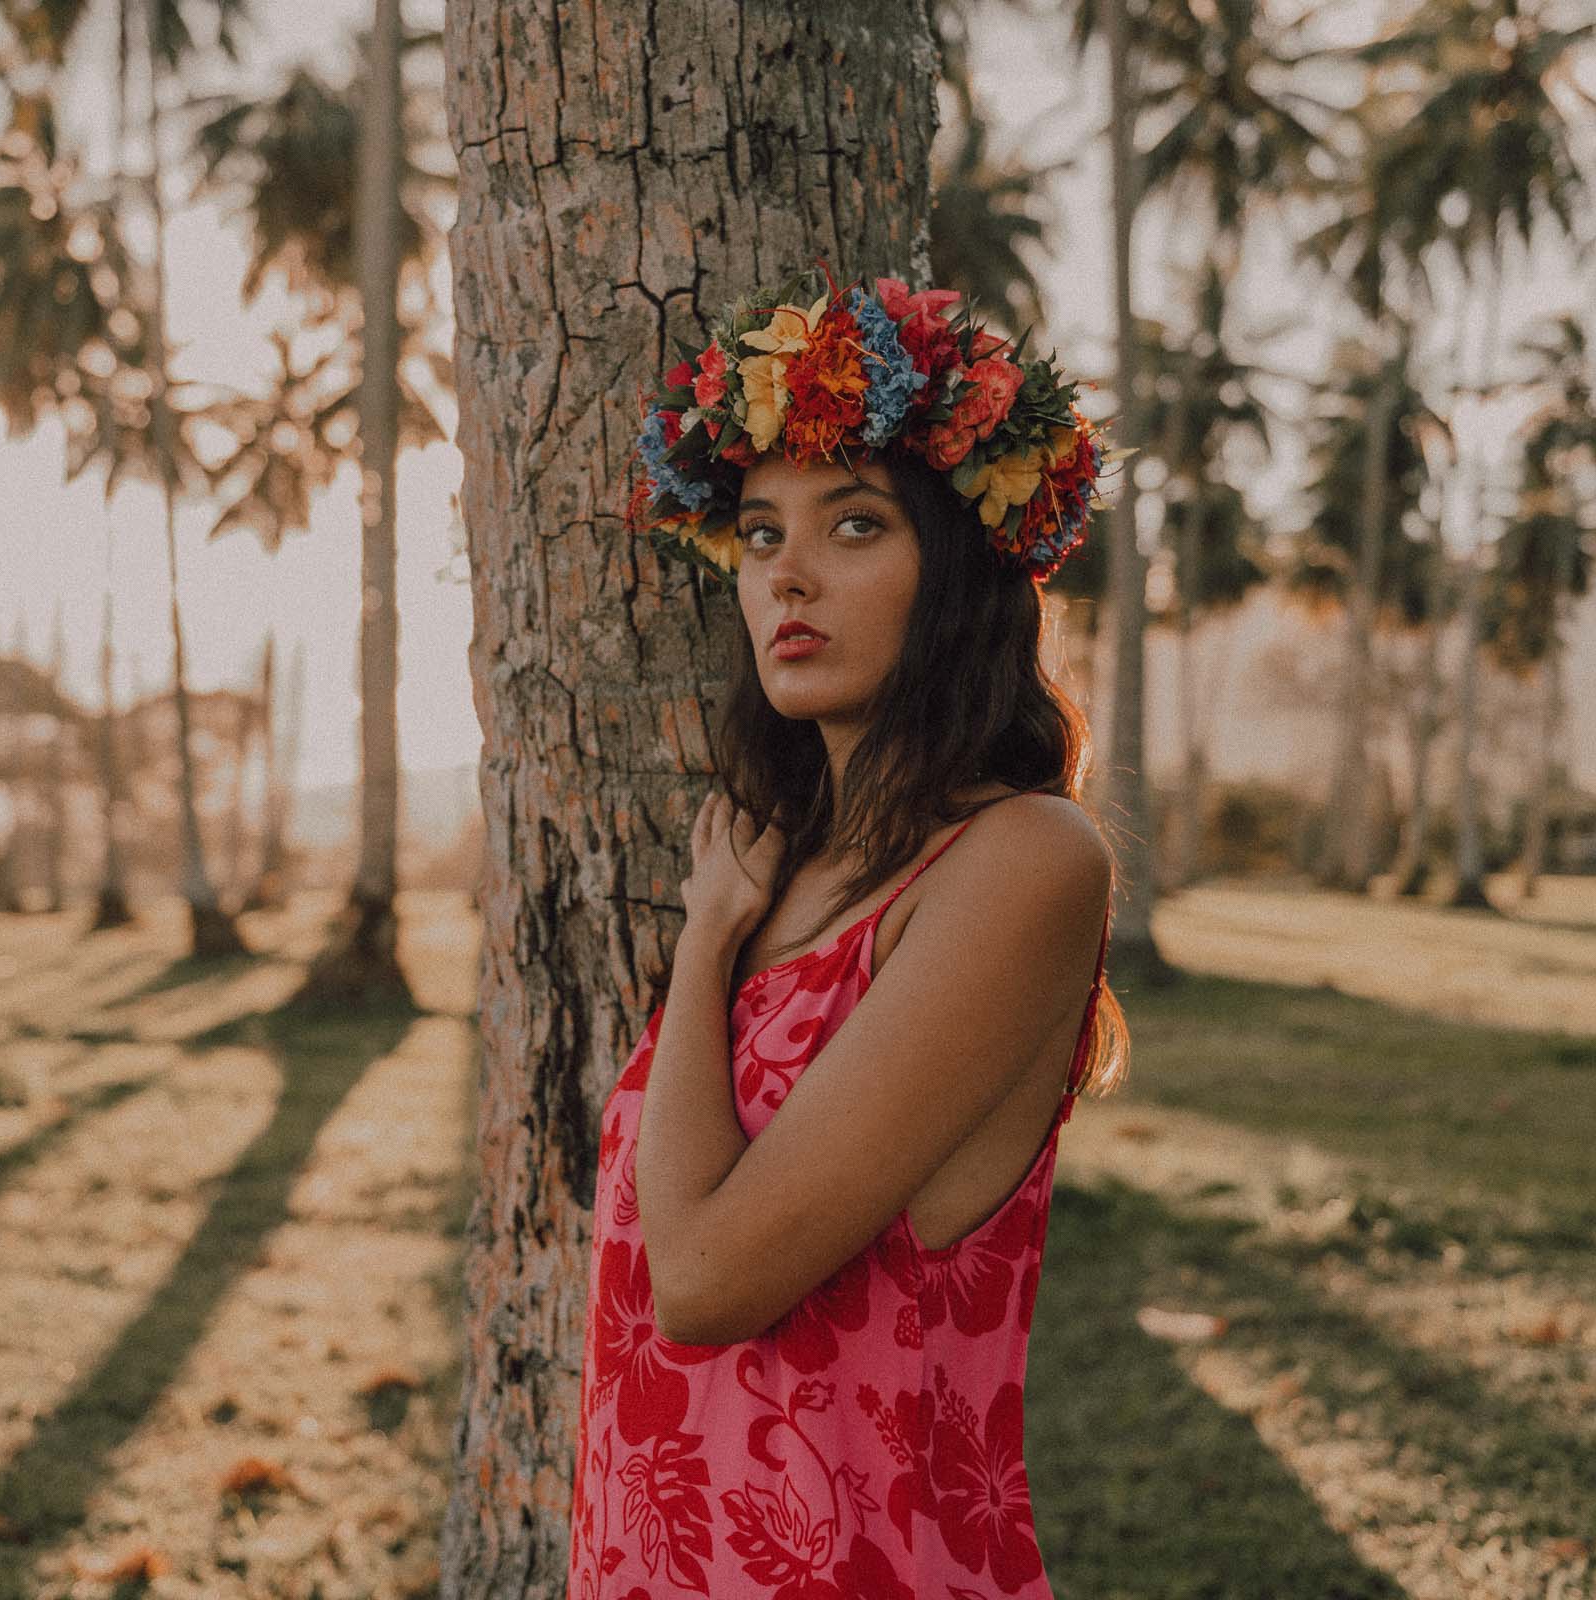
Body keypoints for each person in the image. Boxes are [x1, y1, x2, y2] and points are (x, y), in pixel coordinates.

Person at [566, 265, 1132, 1598]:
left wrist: (704, 944)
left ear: (962, 574)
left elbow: (703, 1284)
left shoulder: (1021, 861)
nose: (790, 576)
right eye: (761, 534)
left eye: (857, 526)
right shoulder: (797, 870)